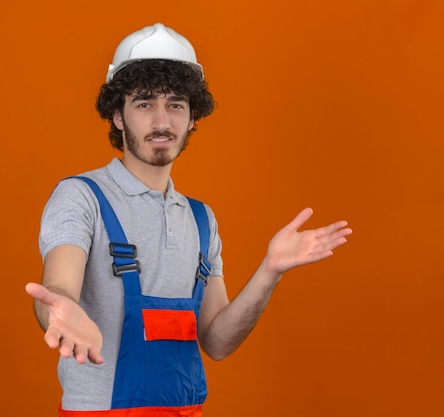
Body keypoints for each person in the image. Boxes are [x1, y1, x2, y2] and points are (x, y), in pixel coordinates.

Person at [25, 22, 352, 416]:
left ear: (192, 116)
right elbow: (58, 285)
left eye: (176, 104)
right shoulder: (82, 197)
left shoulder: (201, 219)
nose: (162, 122)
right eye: (144, 103)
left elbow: (217, 341)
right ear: (117, 115)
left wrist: (270, 270)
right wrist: (60, 310)